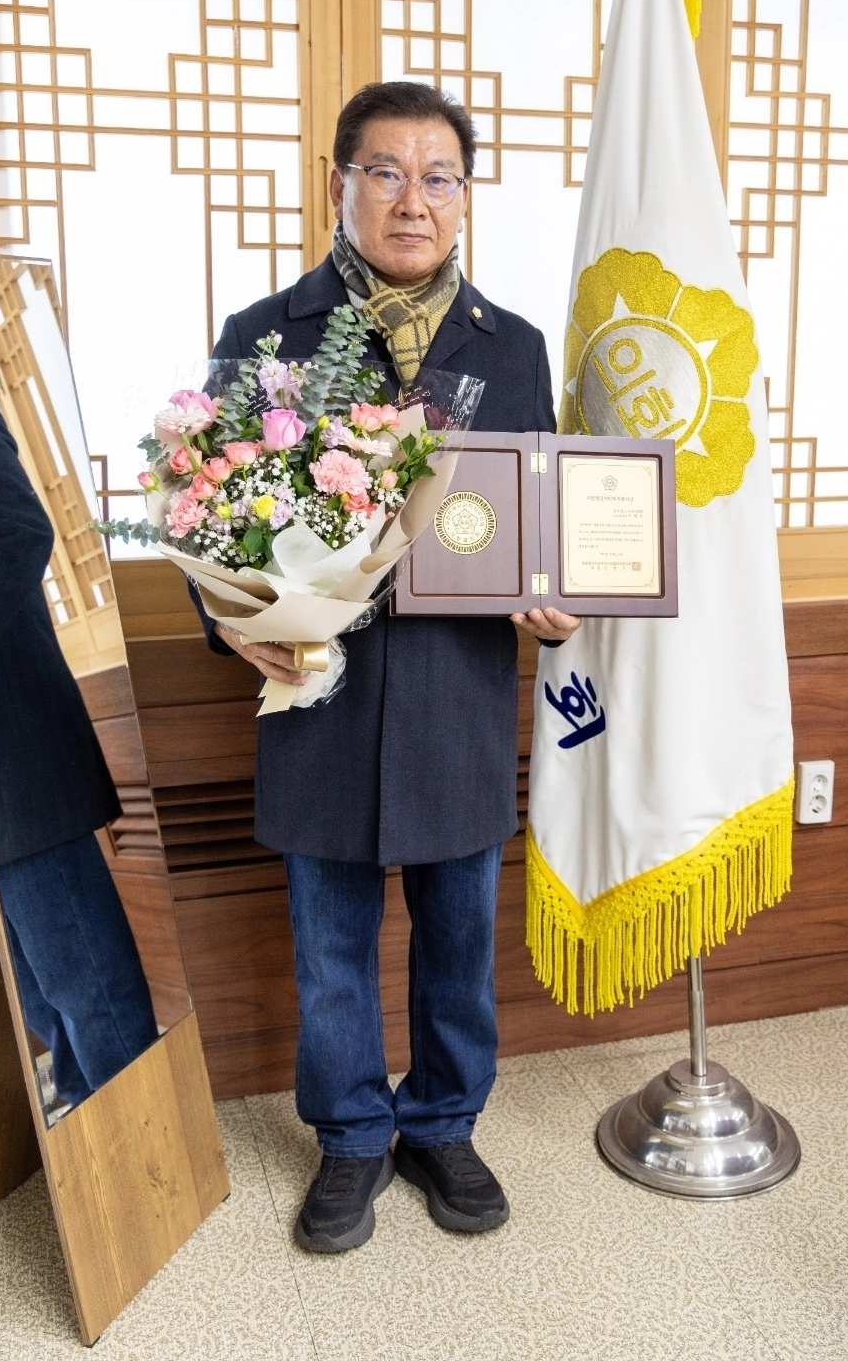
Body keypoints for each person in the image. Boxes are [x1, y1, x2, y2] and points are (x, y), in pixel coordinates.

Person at [197, 81, 581, 1253]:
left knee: (461, 939)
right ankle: (353, 1138)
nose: (413, 199)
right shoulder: (266, 337)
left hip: (459, 697)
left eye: (439, 176)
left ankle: (444, 1123)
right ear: (338, 184)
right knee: (330, 949)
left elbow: (539, 518)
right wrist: (227, 623)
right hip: (317, 695)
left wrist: (555, 606)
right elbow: (209, 515)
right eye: (387, 172)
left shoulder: (510, 348)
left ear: (464, 198)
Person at [0, 393, 159, 1107]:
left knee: (83, 975)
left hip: (11, 747)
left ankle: (143, 1137)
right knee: (27, 984)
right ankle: (90, 1112)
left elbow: (18, 531)